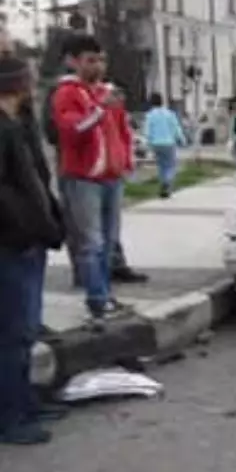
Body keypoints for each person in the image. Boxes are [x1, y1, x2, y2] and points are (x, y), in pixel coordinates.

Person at [41, 36, 148, 286]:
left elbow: (122, 130)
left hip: (111, 173)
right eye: (91, 60)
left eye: (102, 60)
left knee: (108, 237)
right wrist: (98, 109)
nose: (99, 66)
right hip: (81, 171)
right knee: (88, 236)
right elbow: (64, 130)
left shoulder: (107, 92)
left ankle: (107, 278)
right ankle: (92, 287)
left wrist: (126, 161)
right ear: (72, 61)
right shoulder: (63, 92)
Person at [0, 55, 68, 445]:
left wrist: (49, 220)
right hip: (13, 243)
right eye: (28, 79)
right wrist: (29, 224)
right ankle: (12, 415)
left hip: (29, 240)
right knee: (13, 332)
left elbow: (36, 180)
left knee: (24, 331)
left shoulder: (17, 124)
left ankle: (25, 402)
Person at [144, 92, 187, 198]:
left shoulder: (150, 115)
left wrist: (147, 143)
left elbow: (147, 131)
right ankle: (167, 182)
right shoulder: (169, 114)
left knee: (161, 165)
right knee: (170, 165)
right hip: (169, 142)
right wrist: (182, 139)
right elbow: (176, 128)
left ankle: (163, 183)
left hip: (156, 143)